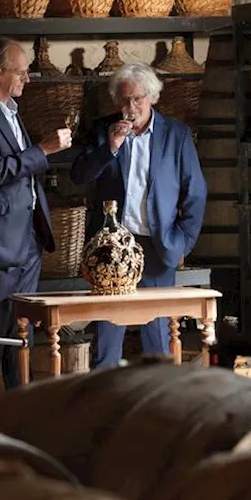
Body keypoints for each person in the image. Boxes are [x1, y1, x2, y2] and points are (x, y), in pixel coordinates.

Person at [0, 37, 73, 404]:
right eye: (21, 72)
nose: (27, 79)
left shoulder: (10, 111)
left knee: (21, 332)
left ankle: (17, 407)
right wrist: (44, 150)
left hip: (27, 239)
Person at [70, 61, 207, 369]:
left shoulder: (176, 134)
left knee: (157, 336)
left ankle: (158, 407)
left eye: (138, 99)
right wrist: (111, 148)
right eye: (125, 100)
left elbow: (195, 192)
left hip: (158, 245)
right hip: (110, 249)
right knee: (107, 334)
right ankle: (104, 407)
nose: (131, 107)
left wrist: (182, 241)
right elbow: (78, 176)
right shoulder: (104, 130)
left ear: (152, 97)